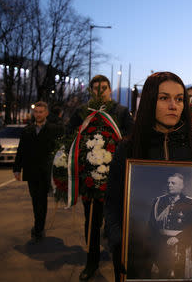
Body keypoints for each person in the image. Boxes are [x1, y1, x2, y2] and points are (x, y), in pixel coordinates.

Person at [105, 72, 192, 282]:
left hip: (187, 256)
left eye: (179, 99)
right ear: (150, 101)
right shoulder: (128, 148)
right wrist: (118, 242)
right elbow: (113, 202)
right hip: (142, 256)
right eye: (164, 98)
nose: (173, 105)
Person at [67, 74, 134, 281]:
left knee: (118, 219)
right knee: (92, 222)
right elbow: (71, 136)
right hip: (91, 177)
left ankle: (121, 261)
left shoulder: (121, 112)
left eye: (104, 88)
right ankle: (92, 261)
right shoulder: (81, 112)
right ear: (90, 91)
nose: (100, 91)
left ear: (110, 90)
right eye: (96, 88)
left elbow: (131, 137)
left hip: (116, 175)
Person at [13, 101, 61, 242]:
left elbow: (60, 148)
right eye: (36, 112)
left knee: (42, 199)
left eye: (41, 112)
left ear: (46, 113)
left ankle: (39, 227)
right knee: (36, 200)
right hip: (31, 170)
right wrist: (17, 168)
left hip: (46, 171)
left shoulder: (53, 129)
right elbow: (21, 150)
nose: (38, 114)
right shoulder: (27, 130)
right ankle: (38, 225)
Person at [148, 173, 192, 279]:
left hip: (182, 246)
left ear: (181, 186)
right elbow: (151, 226)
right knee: (161, 275)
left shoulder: (191, 203)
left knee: (179, 275)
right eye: (168, 183)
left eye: (173, 183)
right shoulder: (158, 201)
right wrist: (156, 245)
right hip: (161, 247)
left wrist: (178, 238)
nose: (169, 185)